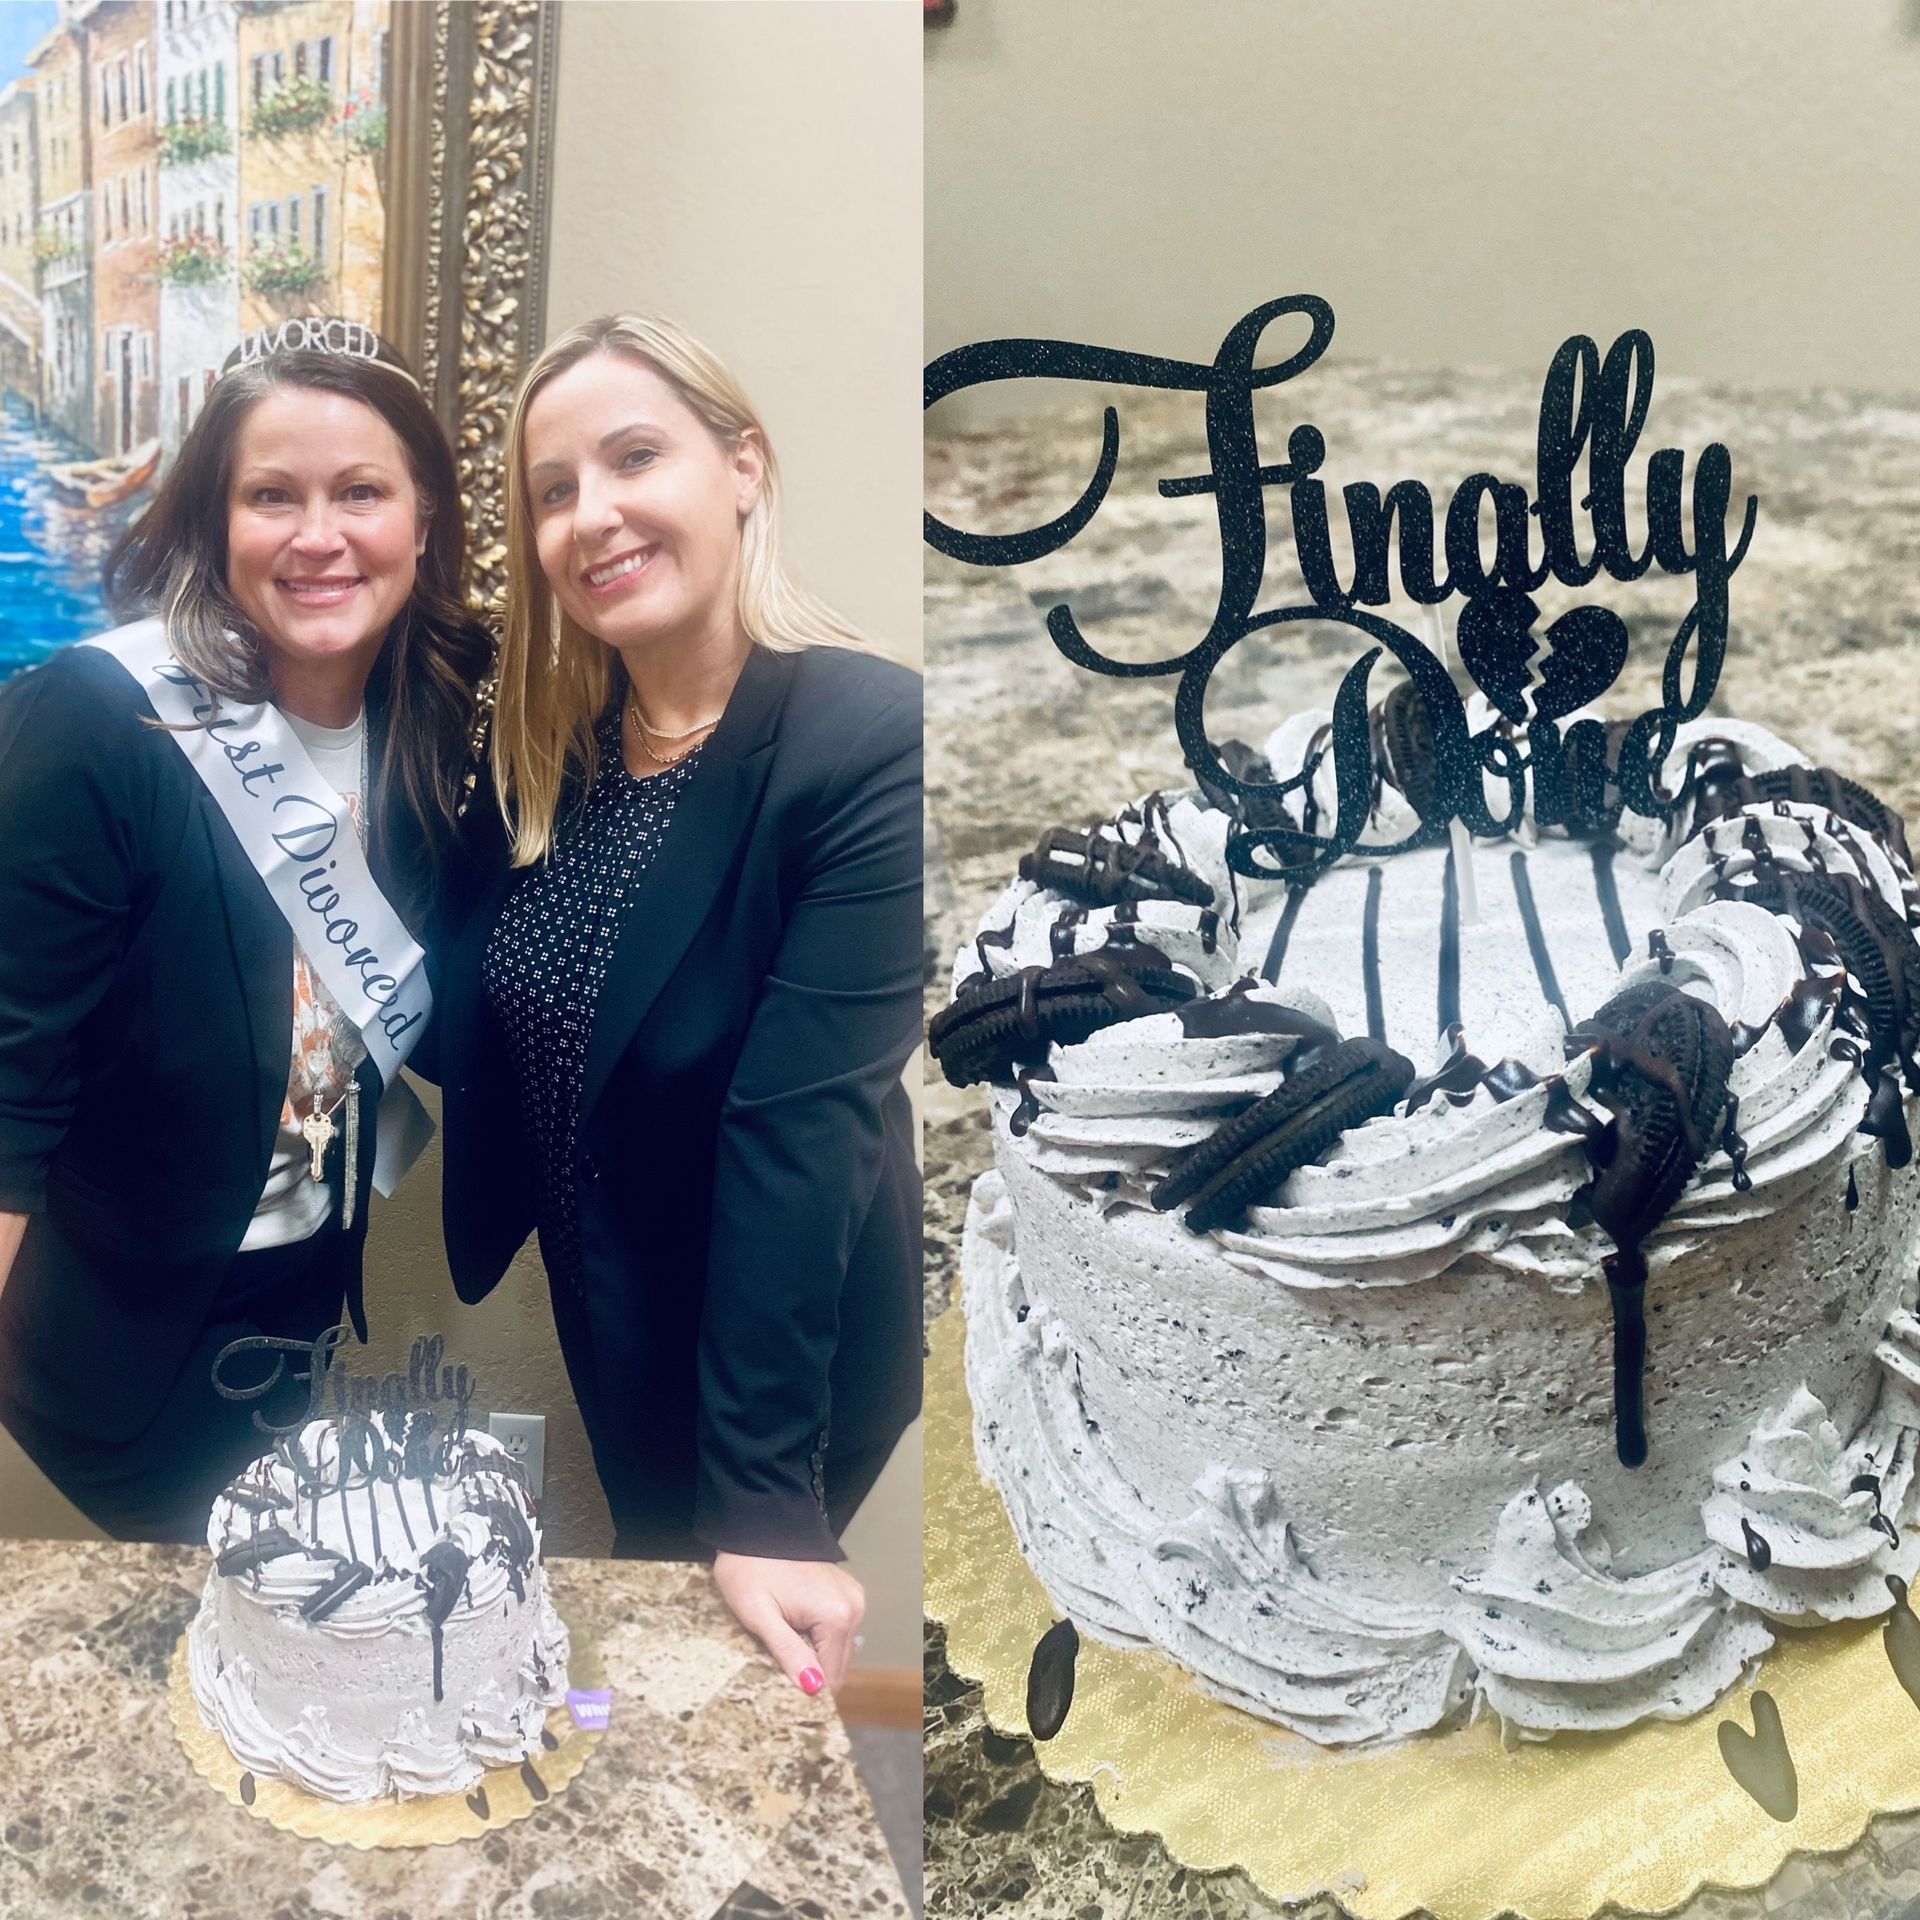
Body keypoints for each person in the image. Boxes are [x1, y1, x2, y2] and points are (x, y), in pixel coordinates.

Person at [433, 315, 921, 1695]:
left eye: (634, 457)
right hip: (611, 1304)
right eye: (553, 491)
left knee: (729, 1676)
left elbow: (800, 1127)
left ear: (743, 468)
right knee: (656, 1644)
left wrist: (766, 1505)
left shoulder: (865, 740)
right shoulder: (557, 761)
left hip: (780, 1340)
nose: (594, 515)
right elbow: (474, 996)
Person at [0, 324, 489, 1541]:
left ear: (421, 524)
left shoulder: (427, 742)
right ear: (218, 525)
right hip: (101, 1361)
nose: (318, 535)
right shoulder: (105, 724)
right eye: (272, 495)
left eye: (361, 493)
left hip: (302, 1318)